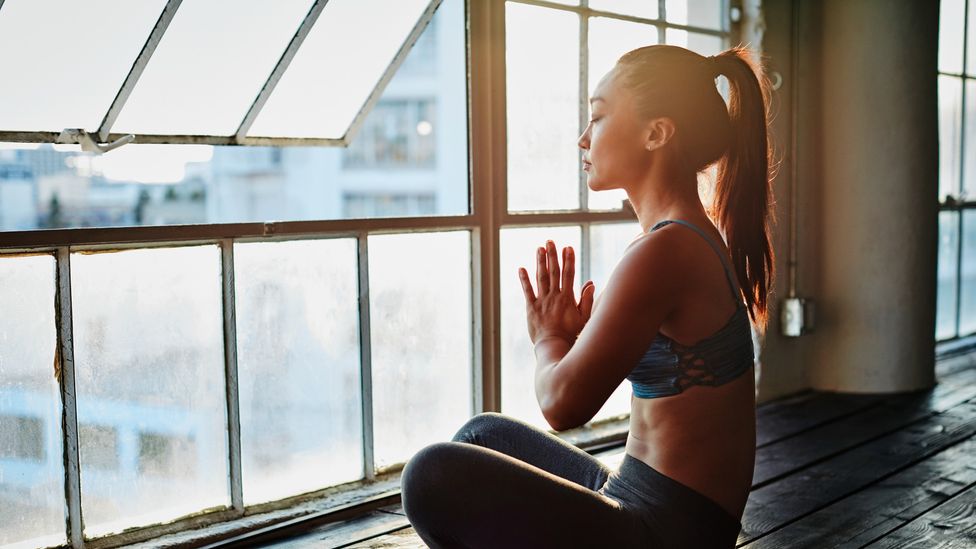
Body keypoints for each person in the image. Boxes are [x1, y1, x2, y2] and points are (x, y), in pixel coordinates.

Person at [400, 43, 774, 548]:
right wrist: (576, 343)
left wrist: (549, 339)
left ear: (656, 133)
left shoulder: (663, 253)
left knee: (431, 474)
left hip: (664, 533)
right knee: (482, 436)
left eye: (597, 118)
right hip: (642, 499)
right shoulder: (688, 236)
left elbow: (562, 405)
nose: (583, 138)